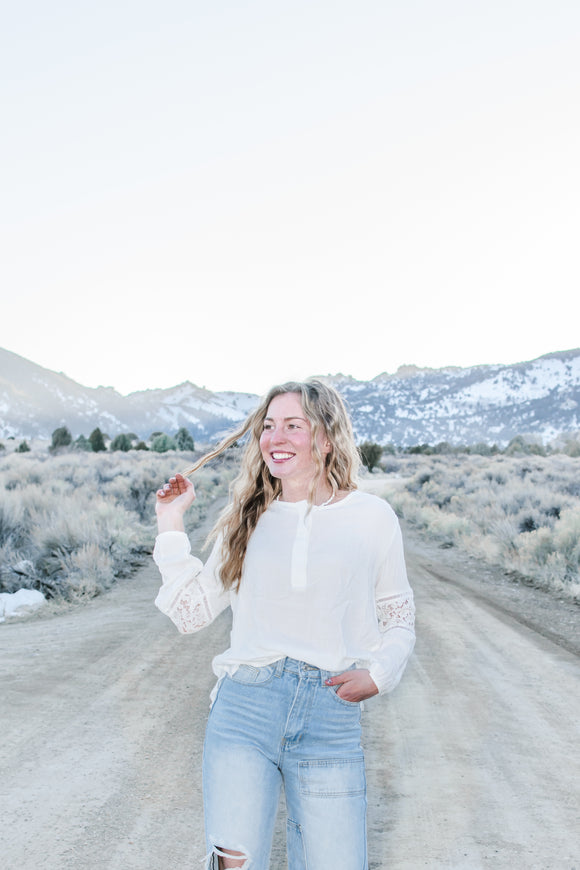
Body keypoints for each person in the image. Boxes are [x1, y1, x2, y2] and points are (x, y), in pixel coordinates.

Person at [153, 380, 415, 870]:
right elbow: (191, 613)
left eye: (294, 425)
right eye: (268, 426)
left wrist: (379, 675)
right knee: (236, 863)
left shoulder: (372, 518)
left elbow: (398, 617)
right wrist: (170, 523)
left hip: (329, 715)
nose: (277, 437)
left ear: (327, 438)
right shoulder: (245, 519)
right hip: (243, 711)